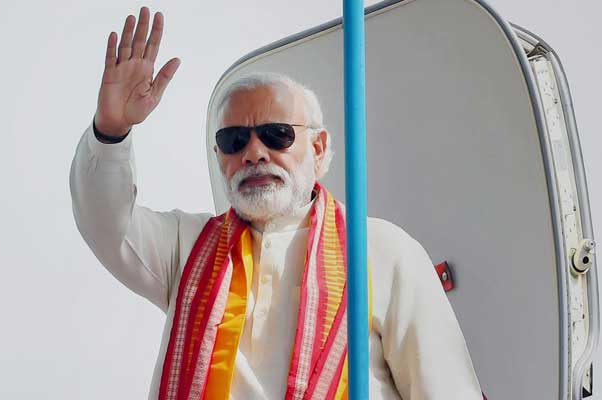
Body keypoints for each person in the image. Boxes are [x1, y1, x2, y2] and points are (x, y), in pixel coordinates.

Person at [69, 6, 483, 400]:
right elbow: (104, 223)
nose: (254, 153)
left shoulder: (380, 249)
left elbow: (444, 388)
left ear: (319, 149)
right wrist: (111, 129)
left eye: (277, 134)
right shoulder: (187, 246)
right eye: (235, 141)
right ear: (219, 159)